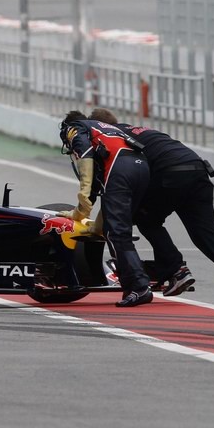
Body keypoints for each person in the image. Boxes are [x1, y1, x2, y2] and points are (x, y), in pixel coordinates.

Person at [89, 108, 214, 305]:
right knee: (206, 233)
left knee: (146, 220)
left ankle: (177, 270)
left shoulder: (110, 138)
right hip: (198, 170)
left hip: (169, 174)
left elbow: (116, 185)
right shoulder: (140, 129)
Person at [58, 110, 152, 307]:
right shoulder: (105, 129)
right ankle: (136, 283)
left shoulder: (74, 127)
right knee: (115, 228)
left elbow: (84, 155)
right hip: (142, 168)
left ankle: (139, 286)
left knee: (117, 234)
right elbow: (98, 190)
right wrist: (83, 215)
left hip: (120, 169)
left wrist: (82, 201)